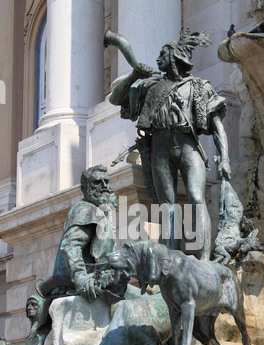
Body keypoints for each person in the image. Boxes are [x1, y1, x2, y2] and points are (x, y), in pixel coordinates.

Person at [109, 29, 231, 260]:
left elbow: (217, 127)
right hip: (159, 147)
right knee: (167, 204)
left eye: (163, 55)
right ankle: (171, 259)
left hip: (188, 145)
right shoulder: (150, 87)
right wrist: (134, 75)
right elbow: (116, 98)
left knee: (196, 197)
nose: (157, 59)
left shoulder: (199, 87)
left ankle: (204, 258)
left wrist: (224, 158)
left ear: (175, 58)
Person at [36, 165, 138, 303]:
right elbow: (70, 246)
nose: (104, 186)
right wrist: (80, 277)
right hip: (93, 284)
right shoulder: (85, 209)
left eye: (106, 182)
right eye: (97, 182)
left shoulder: (97, 211)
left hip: (107, 280)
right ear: (85, 189)